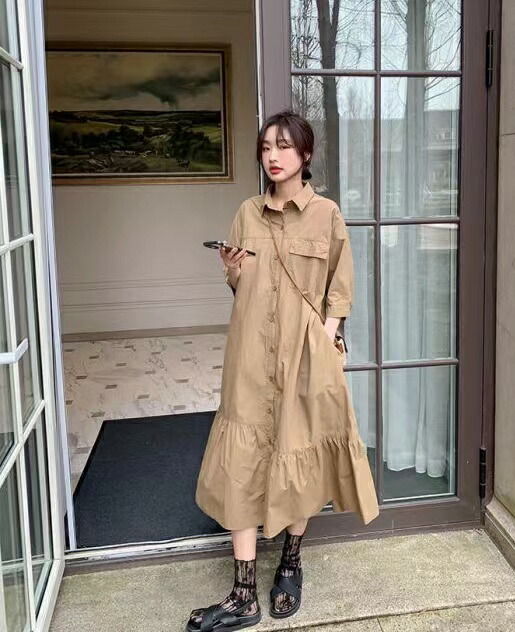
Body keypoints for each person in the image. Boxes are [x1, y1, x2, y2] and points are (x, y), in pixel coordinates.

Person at [186, 110, 379, 632]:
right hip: (250, 356)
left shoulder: (326, 214)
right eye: (267, 146)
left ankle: (291, 562)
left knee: (301, 455)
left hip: (306, 358)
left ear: (305, 155)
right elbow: (242, 290)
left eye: (284, 146)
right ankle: (243, 594)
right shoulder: (246, 213)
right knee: (241, 459)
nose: (273, 156)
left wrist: (327, 339)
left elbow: (340, 288)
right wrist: (231, 272)